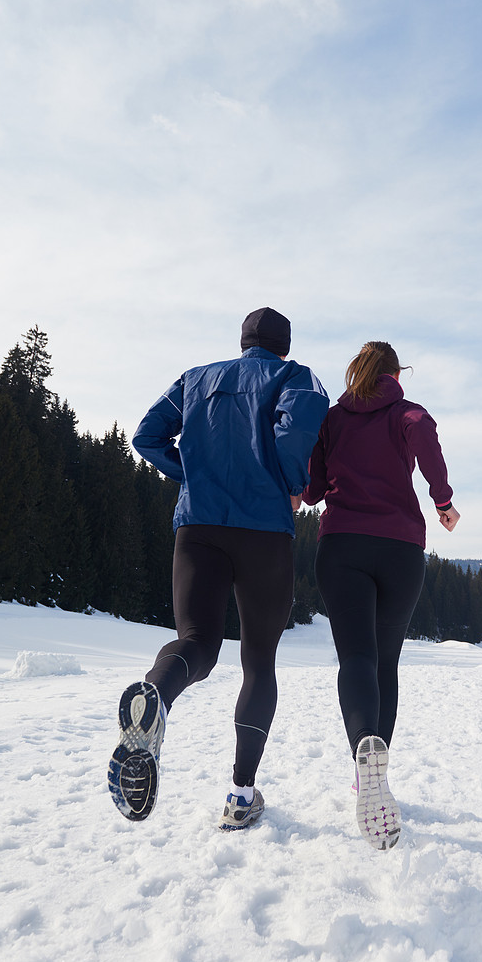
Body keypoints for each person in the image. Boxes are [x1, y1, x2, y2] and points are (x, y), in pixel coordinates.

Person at [107, 307, 329, 829]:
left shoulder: (195, 378)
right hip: (264, 531)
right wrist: (294, 483)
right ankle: (240, 794)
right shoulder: (296, 376)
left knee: (197, 641)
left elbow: (146, 437)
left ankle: (155, 695)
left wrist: (192, 477)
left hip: (198, 529)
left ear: (243, 340)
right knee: (258, 660)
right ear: (284, 344)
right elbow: (294, 433)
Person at [302, 340, 459, 851]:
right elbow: (425, 437)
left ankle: (361, 760)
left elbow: (314, 489)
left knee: (357, 659)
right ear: (395, 373)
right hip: (400, 549)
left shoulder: (332, 418)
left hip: (342, 545)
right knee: (386, 663)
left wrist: (305, 490)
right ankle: (376, 774)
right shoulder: (406, 412)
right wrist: (443, 501)